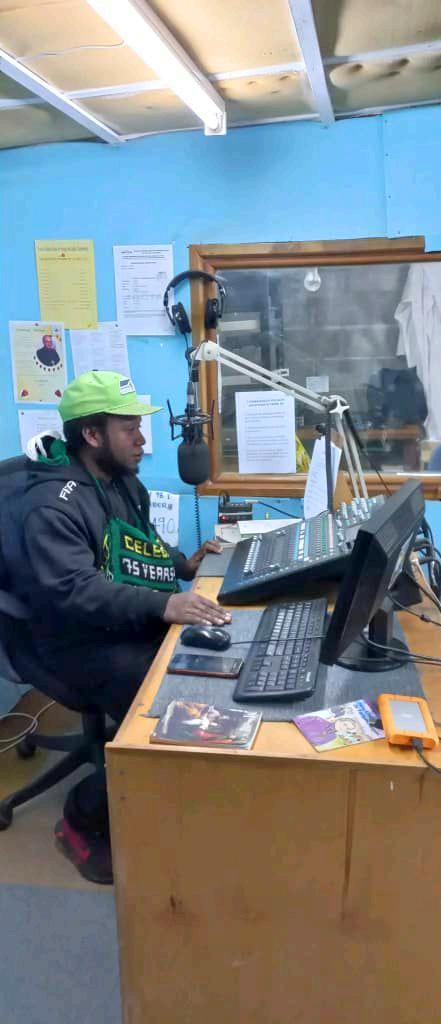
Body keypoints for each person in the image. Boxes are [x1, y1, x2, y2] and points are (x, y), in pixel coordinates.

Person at [6, 370, 230, 884]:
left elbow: (139, 541)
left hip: (116, 621)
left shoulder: (123, 482)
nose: (142, 440)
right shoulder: (52, 506)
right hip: (72, 640)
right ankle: (82, 817)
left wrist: (183, 565)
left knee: (202, 665)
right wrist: (163, 605)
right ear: (91, 434)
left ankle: (168, 792)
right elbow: (74, 591)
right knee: (173, 704)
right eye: (129, 429)